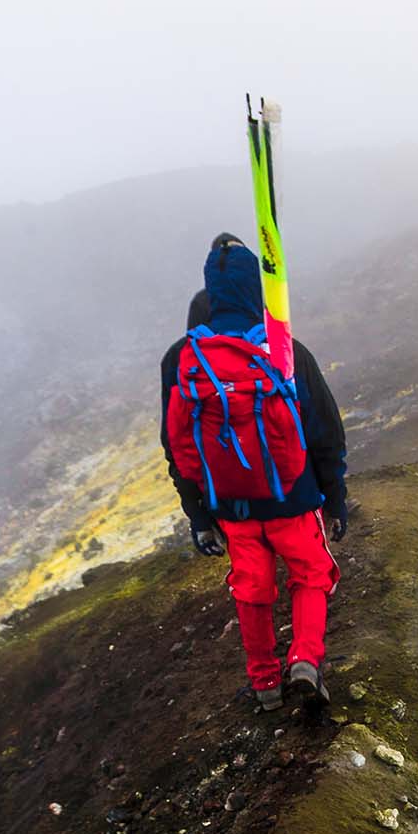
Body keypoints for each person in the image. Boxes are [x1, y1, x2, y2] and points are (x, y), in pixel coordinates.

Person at [161, 235, 347, 711]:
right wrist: (335, 496)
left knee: (252, 588)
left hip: (233, 506)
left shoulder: (185, 361)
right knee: (310, 575)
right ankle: (305, 661)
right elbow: (324, 428)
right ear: (259, 287)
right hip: (292, 498)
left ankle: (265, 686)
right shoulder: (284, 352)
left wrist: (200, 514)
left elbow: (178, 445)